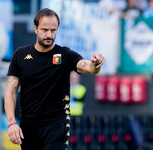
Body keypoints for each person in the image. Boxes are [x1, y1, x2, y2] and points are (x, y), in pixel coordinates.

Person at [4, 8, 105, 150]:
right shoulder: (20, 55)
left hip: (57, 124)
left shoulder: (65, 54)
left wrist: (96, 64)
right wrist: (12, 123)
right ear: (35, 28)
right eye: (45, 30)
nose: (49, 34)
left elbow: (88, 67)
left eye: (53, 30)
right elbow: (10, 92)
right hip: (28, 126)